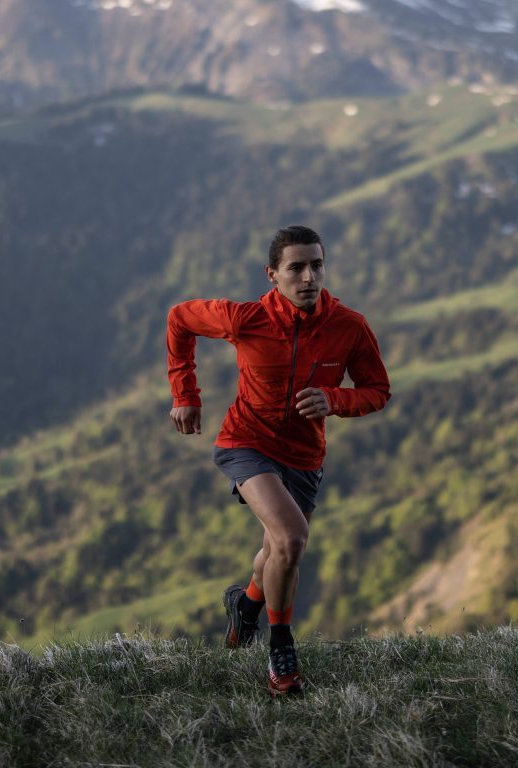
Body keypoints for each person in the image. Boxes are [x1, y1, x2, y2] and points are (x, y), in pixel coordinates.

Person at [166, 225, 390, 697]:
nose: (309, 276)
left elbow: (377, 391)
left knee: (275, 552)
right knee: (291, 538)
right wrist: (185, 393)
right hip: (246, 442)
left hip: (305, 456)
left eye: (317, 265)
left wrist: (335, 400)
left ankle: (245, 607)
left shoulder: (349, 326)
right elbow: (179, 318)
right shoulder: (244, 319)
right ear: (272, 275)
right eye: (296, 268)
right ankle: (280, 652)